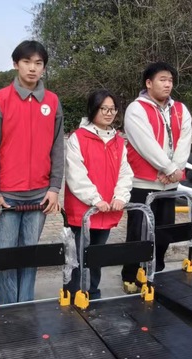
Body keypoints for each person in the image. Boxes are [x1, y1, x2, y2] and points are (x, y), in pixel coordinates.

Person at [0, 40, 64, 304]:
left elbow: (57, 148)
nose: (32, 68)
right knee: (5, 257)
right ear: (16, 64)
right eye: (27, 62)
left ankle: (25, 306)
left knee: (30, 257)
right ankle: (7, 311)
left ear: (44, 68)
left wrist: (54, 188)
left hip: (40, 195)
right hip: (7, 195)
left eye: (38, 63)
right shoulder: (1, 99)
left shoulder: (52, 101)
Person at [121, 61, 192, 293]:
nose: (168, 84)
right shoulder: (136, 109)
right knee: (138, 232)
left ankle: (155, 270)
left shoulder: (180, 109)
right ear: (149, 83)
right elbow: (145, 144)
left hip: (169, 185)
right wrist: (169, 168)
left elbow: (184, 142)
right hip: (143, 183)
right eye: (162, 80)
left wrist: (175, 170)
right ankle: (131, 274)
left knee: (164, 231)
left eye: (170, 80)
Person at [63, 90, 133, 299]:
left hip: (107, 209)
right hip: (83, 210)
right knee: (78, 255)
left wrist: (120, 196)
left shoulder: (118, 141)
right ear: (93, 109)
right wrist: (95, 199)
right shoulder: (78, 138)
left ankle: (92, 292)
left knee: (97, 255)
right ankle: (74, 293)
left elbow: (125, 172)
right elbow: (76, 175)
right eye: (104, 108)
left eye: (112, 109)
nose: (108, 113)